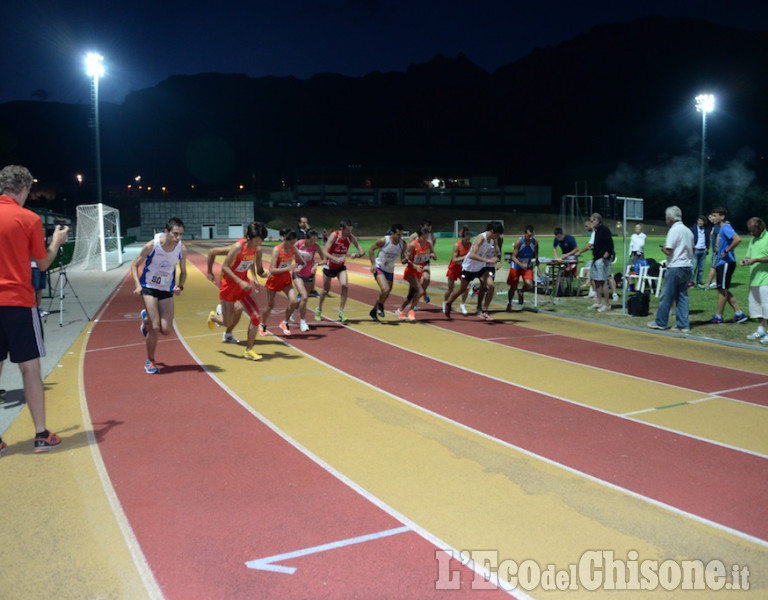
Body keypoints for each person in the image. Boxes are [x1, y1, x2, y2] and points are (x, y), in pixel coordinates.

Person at [0, 164, 69, 454]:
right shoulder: (27, 218)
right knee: (30, 369)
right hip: (17, 302)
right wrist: (55, 241)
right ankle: (41, 435)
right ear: (25, 188)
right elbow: (42, 264)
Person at [132, 217, 188, 374]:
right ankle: (150, 360)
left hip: (166, 289)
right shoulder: (152, 246)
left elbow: (184, 272)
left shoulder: (181, 249)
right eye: (175, 234)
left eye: (181, 234)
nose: (178, 238)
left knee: (166, 330)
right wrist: (137, 285)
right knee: (155, 326)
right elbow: (134, 266)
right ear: (166, 232)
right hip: (149, 286)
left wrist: (180, 286)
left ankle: (146, 321)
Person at [210, 222, 268, 360]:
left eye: (260, 240)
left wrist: (264, 275)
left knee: (256, 316)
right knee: (227, 322)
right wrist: (239, 281)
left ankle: (249, 350)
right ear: (248, 237)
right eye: (256, 240)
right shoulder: (237, 248)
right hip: (229, 286)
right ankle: (214, 316)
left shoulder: (257, 250)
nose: (258, 243)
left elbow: (259, 270)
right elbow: (224, 267)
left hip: (244, 287)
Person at [444, 222, 504, 320]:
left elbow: (498, 251)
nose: (497, 237)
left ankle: (484, 311)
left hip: (483, 267)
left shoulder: (494, 239)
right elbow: (472, 255)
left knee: (491, 286)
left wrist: (498, 260)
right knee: (462, 289)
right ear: (492, 231)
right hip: (470, 266)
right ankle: (449, 303)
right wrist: (488, 260)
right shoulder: (481, 238)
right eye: (497, 234)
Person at [647, 206, 694, 332]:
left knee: (666, 296)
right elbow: (693, 249)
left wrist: (663, 248)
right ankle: (683, 325)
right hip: (687, 265)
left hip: (675, 266)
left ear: (670, 218)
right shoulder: (688, 231)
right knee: (682, 296)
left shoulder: (674, 230)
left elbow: (669, 251)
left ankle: (661, 322)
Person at [316, 219, 364, 322]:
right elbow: (325, 251)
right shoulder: (335, 235)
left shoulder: (350, 237)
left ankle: (341, 312)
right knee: (325, 291)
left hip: (340, 267)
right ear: (341, 229)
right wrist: (336, 259)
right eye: (347, 230)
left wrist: (357, 255)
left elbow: (362, 251)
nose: (349, 233)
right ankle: (319, 309)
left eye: (350, 230)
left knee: (345, 286)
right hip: (329, 265)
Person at [260, 228, 305, 336]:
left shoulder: (293, 249)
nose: (292, 245)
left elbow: (303, 262)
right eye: (290, 242)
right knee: (270, 305)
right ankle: (263, 324)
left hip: (285, 280)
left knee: (294, 301)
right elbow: (272, 270)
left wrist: (299, 267)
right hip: (274, 280)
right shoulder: (277, 250)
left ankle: (284, 322)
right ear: (285, 239)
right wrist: (289, 267)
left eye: (294, 243)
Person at [708, 207, 748, 324]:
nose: (713, 218)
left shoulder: (725, 228)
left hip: (726, 262)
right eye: (713, 215)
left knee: (722, 290)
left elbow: (737, 239)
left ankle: (719, 316)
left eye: (715, 216)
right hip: (723, 262)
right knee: (722, 289)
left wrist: (726, 251)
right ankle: (739, 313)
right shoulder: (721, 229)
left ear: (722, 217)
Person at [206, 245, 245, 343]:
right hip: (228, 282)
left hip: (239, 281)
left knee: (238, 309)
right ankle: (216, 316)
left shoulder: (254, 249)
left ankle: (228, 334)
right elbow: (212, 251)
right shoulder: (237, 248)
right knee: (237, 310)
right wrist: (210, 272)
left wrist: (255, 277)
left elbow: (250, 263)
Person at [367, 224, 406, 321]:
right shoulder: (384, 240)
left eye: (401, 235)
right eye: (398, 234)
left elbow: (403, 260)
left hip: (390, 269)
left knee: (387, 292)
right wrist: (373, 264)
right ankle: (380, 306)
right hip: (379, 266)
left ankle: (374, 311)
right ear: (392, 233)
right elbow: (371, 249)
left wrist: (407, 259)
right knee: (385, 289)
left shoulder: (402, 244)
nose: (399, 237)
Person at [397, 225, 436, 321]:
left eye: (427, 236)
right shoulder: (413, 245)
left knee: (411, 295)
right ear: (419, 236)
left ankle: (400, 310)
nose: (426, 239)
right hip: (411, 271)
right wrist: (414, 265)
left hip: (419, 271)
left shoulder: (428, 244)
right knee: (420, 291)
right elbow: (406, 260)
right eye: (424, 236)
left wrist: (432, 255)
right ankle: (411, 310)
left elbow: (434, 254)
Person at [292, 228, 326, 331]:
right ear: (306, 238)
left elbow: (324, 259)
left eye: (315, 240)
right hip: (298, 273)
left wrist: (316, 265)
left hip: (309, 274)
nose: (313, 243)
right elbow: (289, 253)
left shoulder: (316, 247)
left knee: (303, 298)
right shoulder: (298, 244)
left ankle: (294, 310)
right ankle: (303, 322)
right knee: (304, 296)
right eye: (311, 240)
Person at [741, 217, 768, 344]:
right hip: (754, 279)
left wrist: (756, 260)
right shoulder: (753, 240)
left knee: (767, 307)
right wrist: (745, 260)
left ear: (760, 227)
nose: (752, 233)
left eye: (753, 230)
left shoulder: (767, 237)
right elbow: (749, 255)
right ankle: (761, 329)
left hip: (765, 279)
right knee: (756, 307)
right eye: (750, 231)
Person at [506, 225, 538, 309]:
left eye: (532, 236)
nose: (531, 238)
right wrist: (521, 265)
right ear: (524, 234)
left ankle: (521, 291)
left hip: (527, 266)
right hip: (516, 266)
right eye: (529, 236)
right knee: (513, 287)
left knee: (529, 285)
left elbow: (536, 248)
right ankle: (509, 303)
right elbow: (513, 257)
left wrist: (537, 258)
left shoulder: (535, 242)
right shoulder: (519, 242)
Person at [588, 213, 614, 313]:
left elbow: (610, 245)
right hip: (596, 258)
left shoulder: (604, 230)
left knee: (603, 282)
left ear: (597, 220)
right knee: (596, 281)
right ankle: (598, 302)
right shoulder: (596, 231)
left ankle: (607, 304)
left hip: (601, 260)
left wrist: (604, 257)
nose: (591, 223)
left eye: (592, 221)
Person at [444, 227, 472, 316]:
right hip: (453, 268)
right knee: (450, 289)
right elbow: (454, 259)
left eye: (469, 239)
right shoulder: (457, 245)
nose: (467, 241)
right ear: (462, 237)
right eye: (466, 239)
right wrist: (465, 257)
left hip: (462, 269)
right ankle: (445, 302)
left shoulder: (470, 245)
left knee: (466, 288)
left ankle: (462, 304)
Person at [690, 215, 710, 288]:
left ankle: (699, 282)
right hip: (695, 250)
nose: (700, 222)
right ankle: (691, 282)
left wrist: (707, 248)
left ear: (704, 222)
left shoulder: (706, 231)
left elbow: (708, 240)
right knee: (693, 268)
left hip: (703, 251)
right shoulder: (693, 229)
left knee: (701, 269)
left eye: (701, 221)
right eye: (699, 220)